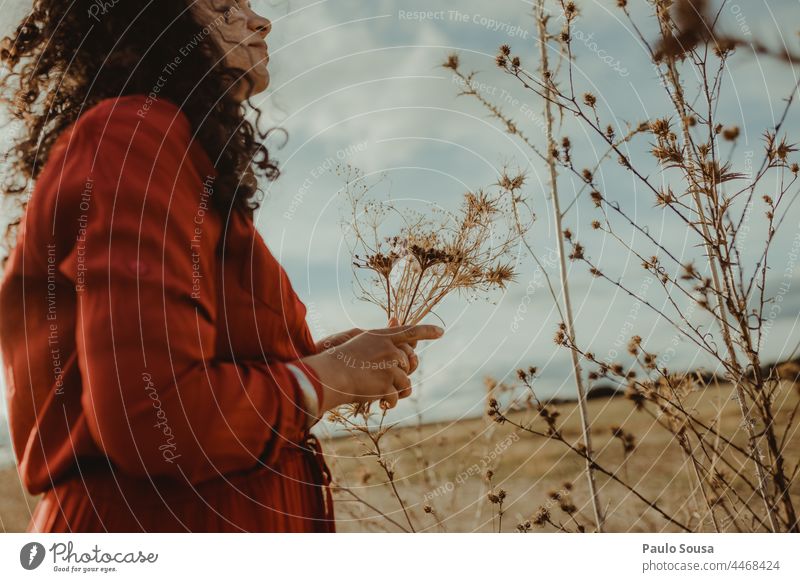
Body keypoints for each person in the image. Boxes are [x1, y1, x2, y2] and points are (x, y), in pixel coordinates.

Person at [0, 0, 442, 532]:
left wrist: (312, 359)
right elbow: (151, 414)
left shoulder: (163, 148)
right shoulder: (135, 136)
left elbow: (181, 366)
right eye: (222, 6)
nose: (259, 22)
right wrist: (329, 380)